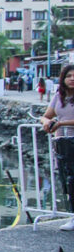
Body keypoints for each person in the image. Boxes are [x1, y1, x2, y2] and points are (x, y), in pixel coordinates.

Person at [40, 63, 74, 232]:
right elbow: (46, 115)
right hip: (62, 142)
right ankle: (73, 215)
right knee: (67, 178)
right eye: (69, 76)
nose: (72, 79)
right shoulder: (59, 96)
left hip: (70, 137)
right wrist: (47, 122)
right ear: (63, 79)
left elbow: (61, 120)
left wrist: (61, 123)